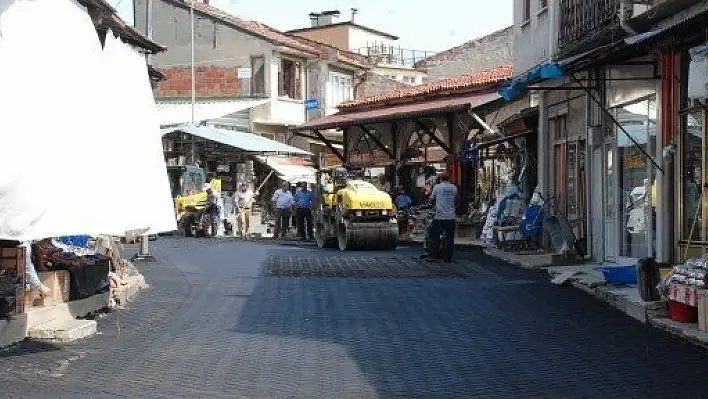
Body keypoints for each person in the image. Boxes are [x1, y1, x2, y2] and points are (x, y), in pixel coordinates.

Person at [427, 172, 458, 263]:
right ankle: (448, 258)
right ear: (449, 179)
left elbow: (431, 199)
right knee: (449, 238)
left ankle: (432, 256)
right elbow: (456, 200)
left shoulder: (437, 187)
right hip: (451, 217)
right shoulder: (454, 188)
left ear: (440, 179)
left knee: (434, 236)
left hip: (439, 216)